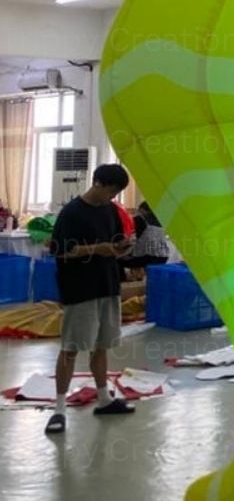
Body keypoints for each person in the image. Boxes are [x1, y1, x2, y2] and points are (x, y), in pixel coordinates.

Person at [44, 163, 135, 434]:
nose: (113, 196)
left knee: (102, 345)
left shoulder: (110, 210)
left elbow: (115, 242)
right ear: (98, 183)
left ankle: (103, 397)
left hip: (107, 285)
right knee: (71, 348)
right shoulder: (72, 212)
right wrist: (99, 249)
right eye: (112, 190)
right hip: (80, 288)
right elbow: (59, 251)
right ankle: (59, 408)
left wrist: (119, 249)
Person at [120, 201, 170, 279]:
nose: (137, 212)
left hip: (146, 258)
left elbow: (131, 239)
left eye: (138, 210)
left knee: (117, 259)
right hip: (163, 257)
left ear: (142, 209)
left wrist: (124, 253)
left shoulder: (139, 219)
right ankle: (138, 274)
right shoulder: (162, 221)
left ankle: (124, 278)